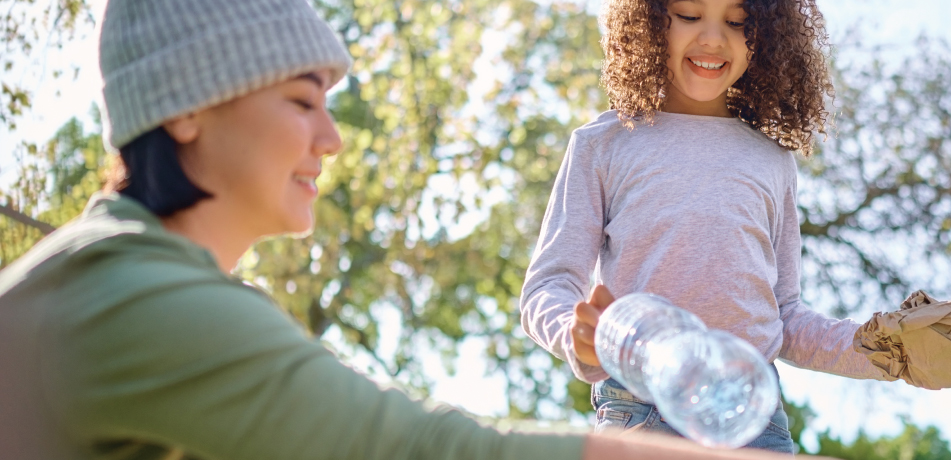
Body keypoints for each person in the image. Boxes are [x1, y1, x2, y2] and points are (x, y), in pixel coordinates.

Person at [0, 1, 822, 459]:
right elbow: (416, 448)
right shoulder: (139, 299)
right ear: (183, 108)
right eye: (300, 100)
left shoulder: (150, 287)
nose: (331, 137)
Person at [519, 0, 892, 453]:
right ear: (651, 21)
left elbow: (785, 316)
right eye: (689, 15)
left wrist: (885, 348)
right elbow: (549, 286)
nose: (713, 38)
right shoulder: (602, 145)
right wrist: (577, 336)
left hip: (753, 416)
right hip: (638, 411)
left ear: (765, 37)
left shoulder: (773, 161)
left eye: (737, 22)